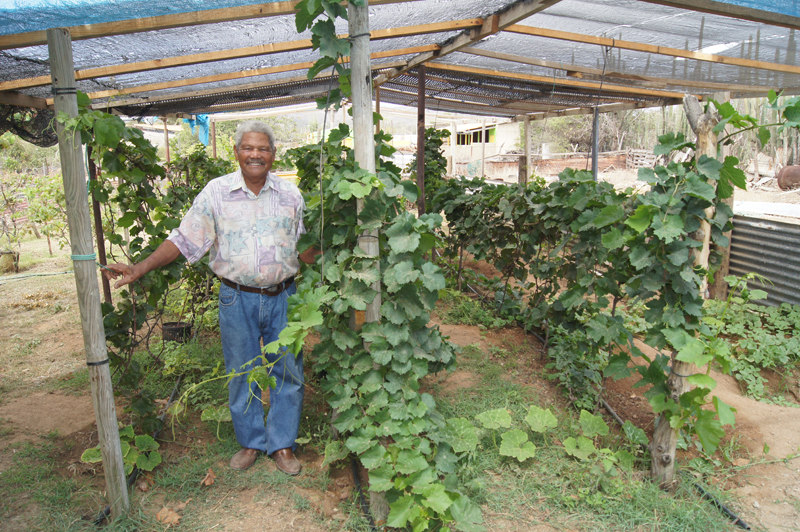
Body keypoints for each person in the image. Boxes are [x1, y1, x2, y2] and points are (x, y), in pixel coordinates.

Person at [104, 120, 318, 475]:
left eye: (262, 149)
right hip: (237, 297)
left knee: (288, 371)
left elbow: (306, 249)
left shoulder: (290, 195)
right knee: (242, 372)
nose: (255, 155)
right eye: (248, 148)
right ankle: (251, 441)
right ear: (236, 153)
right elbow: (184, 240)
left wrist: (341, 243)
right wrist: (141, 267)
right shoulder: (216, 193)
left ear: (273, 155)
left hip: (284, 297)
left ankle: (281, 445)